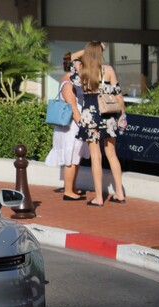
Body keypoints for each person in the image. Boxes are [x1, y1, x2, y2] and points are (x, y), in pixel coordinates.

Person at [71, 41, 127, 206]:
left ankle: (99, 197)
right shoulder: (108, 70)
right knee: (112, 154)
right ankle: (119, 193)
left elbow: (69, 58)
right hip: (109, 115)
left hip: (90, 116)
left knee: (96, 157)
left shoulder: (82, 71)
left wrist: (88, 50)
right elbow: (118, 95)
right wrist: (122, 114)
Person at [45, 52, 90, 201]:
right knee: (71, 158)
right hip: (70, 128)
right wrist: (84, 126)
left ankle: (71, 187)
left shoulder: (69, 81)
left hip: (71, 127)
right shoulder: (68, 84)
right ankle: (68, 191)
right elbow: (74, 109)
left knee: (75, 157)